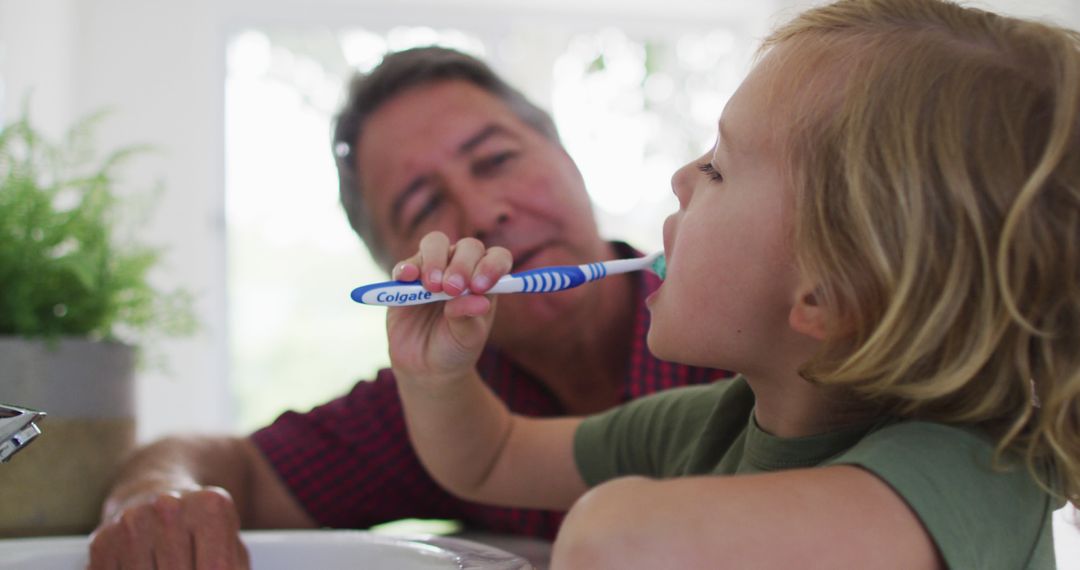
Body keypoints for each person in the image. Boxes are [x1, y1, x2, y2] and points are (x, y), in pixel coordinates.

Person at [385, 0, 1080, 567]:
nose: (681, 179)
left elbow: (618, 543)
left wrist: (609, 519)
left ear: (828, 292)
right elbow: (492, 457)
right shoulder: (710, 423)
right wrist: (434, 373)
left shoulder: (976, 470)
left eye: (717, 168)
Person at [87, 48, 724, 566]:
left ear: (567, 156)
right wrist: (156, 498)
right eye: (423, 208)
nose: (481, 212)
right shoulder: (432, 401)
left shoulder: (745, 329)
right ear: (393, 265)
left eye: (497, 159)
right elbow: (233, 469)